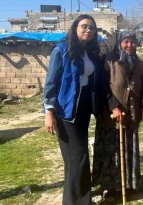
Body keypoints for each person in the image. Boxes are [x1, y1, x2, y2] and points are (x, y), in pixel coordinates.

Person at [43, 14, 102, 205]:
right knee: (78, 158)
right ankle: (79, 201)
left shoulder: (90, 53)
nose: (88, 30)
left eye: (91, 28)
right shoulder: (61, 51)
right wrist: (49, 113)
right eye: (84, 26)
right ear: (75, 28)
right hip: (65, 112)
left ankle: (75, 200)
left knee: (74, 160)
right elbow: (51, 82)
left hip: (82, 110)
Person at [92, 30, 143, 197]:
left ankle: (128, 186)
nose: (129, 45)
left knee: (128, 151)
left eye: (132, 42)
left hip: (131, 116)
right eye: (126, 41)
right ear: (119, 42)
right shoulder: (109, 60)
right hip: (110, 118)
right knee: (111, 153)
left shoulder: (139, 64)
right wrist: (114, 106)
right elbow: (103, 86)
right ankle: (110, 188)